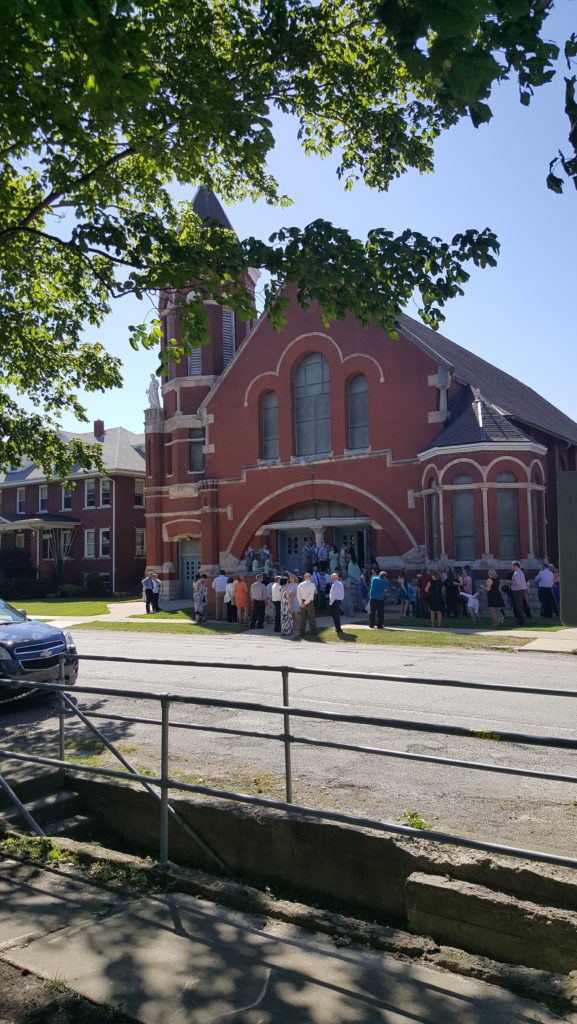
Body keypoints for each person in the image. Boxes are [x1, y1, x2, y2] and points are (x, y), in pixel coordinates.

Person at [297, 572, 317, 637]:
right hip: (309, 602)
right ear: (310, 577)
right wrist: (305, 603)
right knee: (311, 618)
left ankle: (301, 633)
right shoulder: (312, 585)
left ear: (304, 577)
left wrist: (301, 603)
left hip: (302, 601)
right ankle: (313, 632)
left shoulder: (300, 584)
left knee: (302, 619)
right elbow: (311, 596)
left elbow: (298, 595)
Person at [510, 560, 527, 626]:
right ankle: (520, 619)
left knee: (518, 606)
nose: (511, 567)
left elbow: (517, 582)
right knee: (519, 605)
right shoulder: (520, 572)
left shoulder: (516, 573)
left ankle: (521, 620)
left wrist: (510, 582)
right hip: (521, 590)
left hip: (517, 591)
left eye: (512, 566)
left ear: (515, 566)